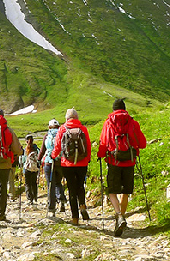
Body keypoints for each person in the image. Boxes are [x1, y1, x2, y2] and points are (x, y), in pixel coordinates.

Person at [97, 98, 147, 237]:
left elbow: (104, 142)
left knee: (112, 191)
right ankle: (121, 217)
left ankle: (119, 216)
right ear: (125, 109)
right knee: (125, 191)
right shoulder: (132, 123)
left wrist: (100, 155)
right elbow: (142, 143)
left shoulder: (108, 123)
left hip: (114, 162)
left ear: (113, 110)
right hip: (130, 162)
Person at [52, 108, 91, 225]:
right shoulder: (83, 129)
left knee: (71, 189)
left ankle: (75, 218)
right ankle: (82, 205)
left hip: (67, 164)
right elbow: (88, 145)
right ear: (77, 117)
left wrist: (53, 156)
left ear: (66, 118)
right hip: (82, 163)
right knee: (80, 185)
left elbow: (57, 146)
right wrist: (87, 158)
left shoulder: (62, 129)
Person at [38, 119, 66, 215]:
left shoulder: (47, 136)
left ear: (49, 127)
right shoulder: (63, 134)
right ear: (58, 127)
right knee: (58, 182)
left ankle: (51, 208)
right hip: (60, 163)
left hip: (49, 163)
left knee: (51, 185)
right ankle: (61, 199)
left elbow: (42, 151)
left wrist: (39, 160)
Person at [20, 135, 40, 205]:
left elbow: (22, 160)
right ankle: (35, 198)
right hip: (35, 168)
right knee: (34, 183)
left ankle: (29, 199)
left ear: (26, 141)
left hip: (27, 168)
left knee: (27, 184)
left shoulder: (25, 149)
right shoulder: (36, 148)